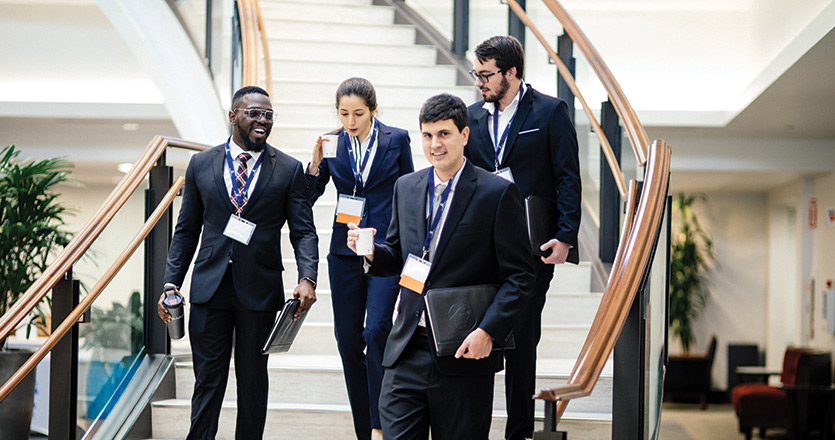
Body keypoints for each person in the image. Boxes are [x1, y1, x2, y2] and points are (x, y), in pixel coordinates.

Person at [347, 93, 535, 440]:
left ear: (464, 135)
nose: (435, 144)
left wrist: (488, 332)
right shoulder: (406, 187)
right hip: (405, 349)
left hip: (462, 352)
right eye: (428, 135)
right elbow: (400, 256)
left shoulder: (496, 193)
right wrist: (372, 251)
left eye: (444, 134)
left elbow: (520, 276)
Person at [157, 85, 319, 440]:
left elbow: (304, 231)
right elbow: (186, 231)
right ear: (234, 116)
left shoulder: (288, 169)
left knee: (252, 382)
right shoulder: (201, 164)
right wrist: (172, 283)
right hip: (209, 288)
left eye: (268, 115)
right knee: (207, 382)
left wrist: (308, 276)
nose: (263, 120)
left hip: (258, 291)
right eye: (254, 113)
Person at [464, 35, 582, 440]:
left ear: (511, 72)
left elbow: (567, 175)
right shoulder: (471, 117)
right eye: (476, 74)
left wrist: (565, 235)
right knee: (480, 334)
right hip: (484, 246)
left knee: (522, 340)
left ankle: (518, 433)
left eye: (486, 74)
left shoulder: (550, 111)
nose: (479, 82)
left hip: (533, 246)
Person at [306, 77, 414, 440]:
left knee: (376, 329)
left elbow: (409, 190)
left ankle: (383, 423)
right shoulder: (332, 142)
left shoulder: (396, 139)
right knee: (347, 339)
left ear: (373, 110)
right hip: (344, 250)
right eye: (343, 113)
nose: (350, 121)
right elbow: (307, 196)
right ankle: (364, 429)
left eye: (358, 113)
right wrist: (314, 165)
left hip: (384, 248)